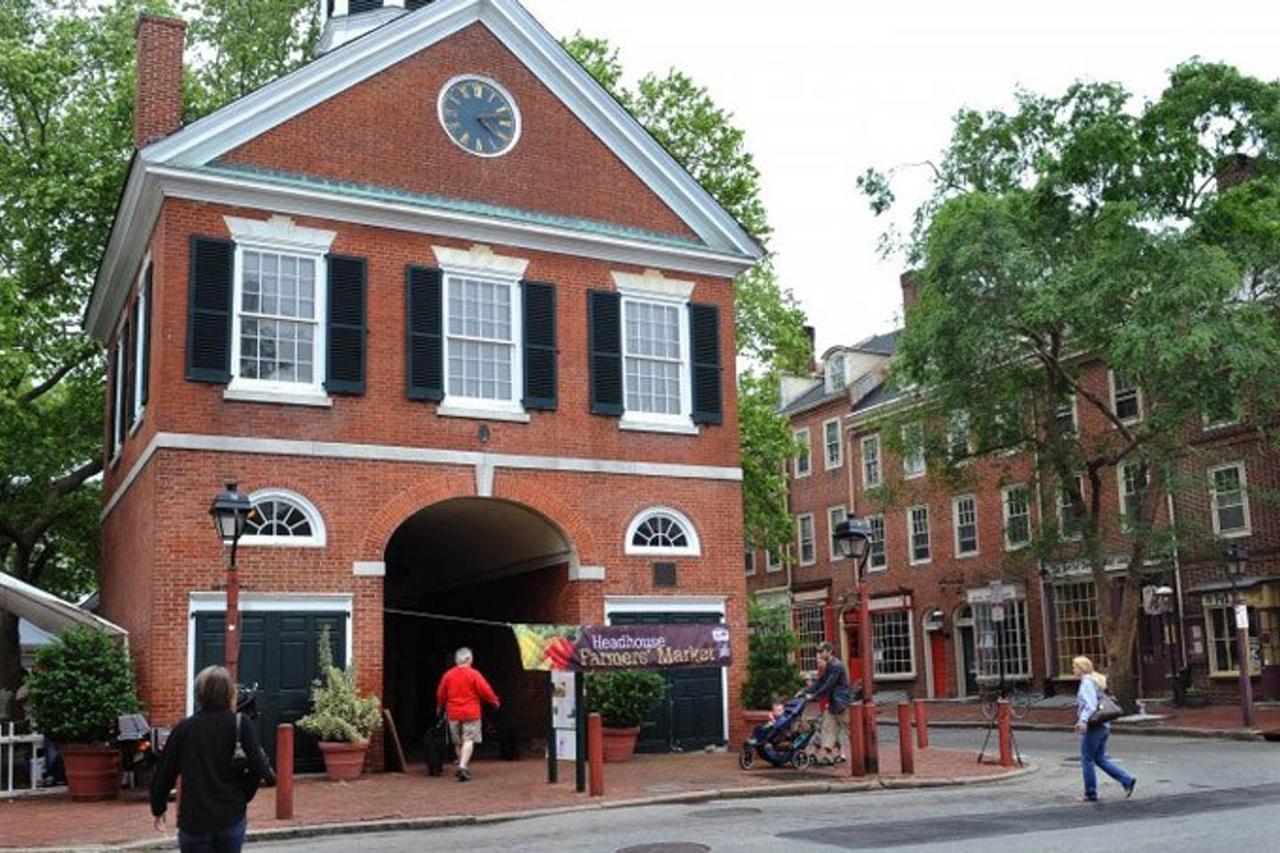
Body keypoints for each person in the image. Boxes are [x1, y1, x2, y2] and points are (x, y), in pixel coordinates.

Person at [150, 666, 273, 852]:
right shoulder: (241, 725)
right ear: (230, 693)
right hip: (230, 816)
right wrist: (243, 795)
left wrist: (158, 808)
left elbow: (164, 773)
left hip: (194, 820)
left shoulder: (184, 729)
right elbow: (261, 769)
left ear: (199, 694)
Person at [1073, 655, 1136, 802]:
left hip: (1094, 726)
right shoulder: (1095, 681)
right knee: (1100, 758)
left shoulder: (1087, 683)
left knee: (1087, 759)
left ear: (1081, 668)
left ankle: (1090, 793)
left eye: (1075, 666)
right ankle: (1126, 780)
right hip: (1103, 726)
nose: (1073, 669)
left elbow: (1090, 705)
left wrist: (1082, 721)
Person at [435, 647, 500, 782]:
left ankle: (461, 764)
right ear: (468, 659)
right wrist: (494, 701)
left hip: (453, 712)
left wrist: (440, 707)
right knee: (468, 739)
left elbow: (441, 694)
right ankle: (463, 766)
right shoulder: (474, 674)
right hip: (471, 712)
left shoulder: (448, 675)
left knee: (458, 742)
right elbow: (485, 690)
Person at [806, 642, 854, 765]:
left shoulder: (837, 665)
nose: (820, 655)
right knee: (828, 728)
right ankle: (827, 756)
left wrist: (814, 696)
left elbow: (828, 684)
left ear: (829, 651)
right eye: (819, 652)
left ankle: (860, 753)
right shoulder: (829, 665)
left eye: (822, 652)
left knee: (851, 730)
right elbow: (821, 682)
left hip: (841, 703)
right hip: (832, 703)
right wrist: (805, 691)